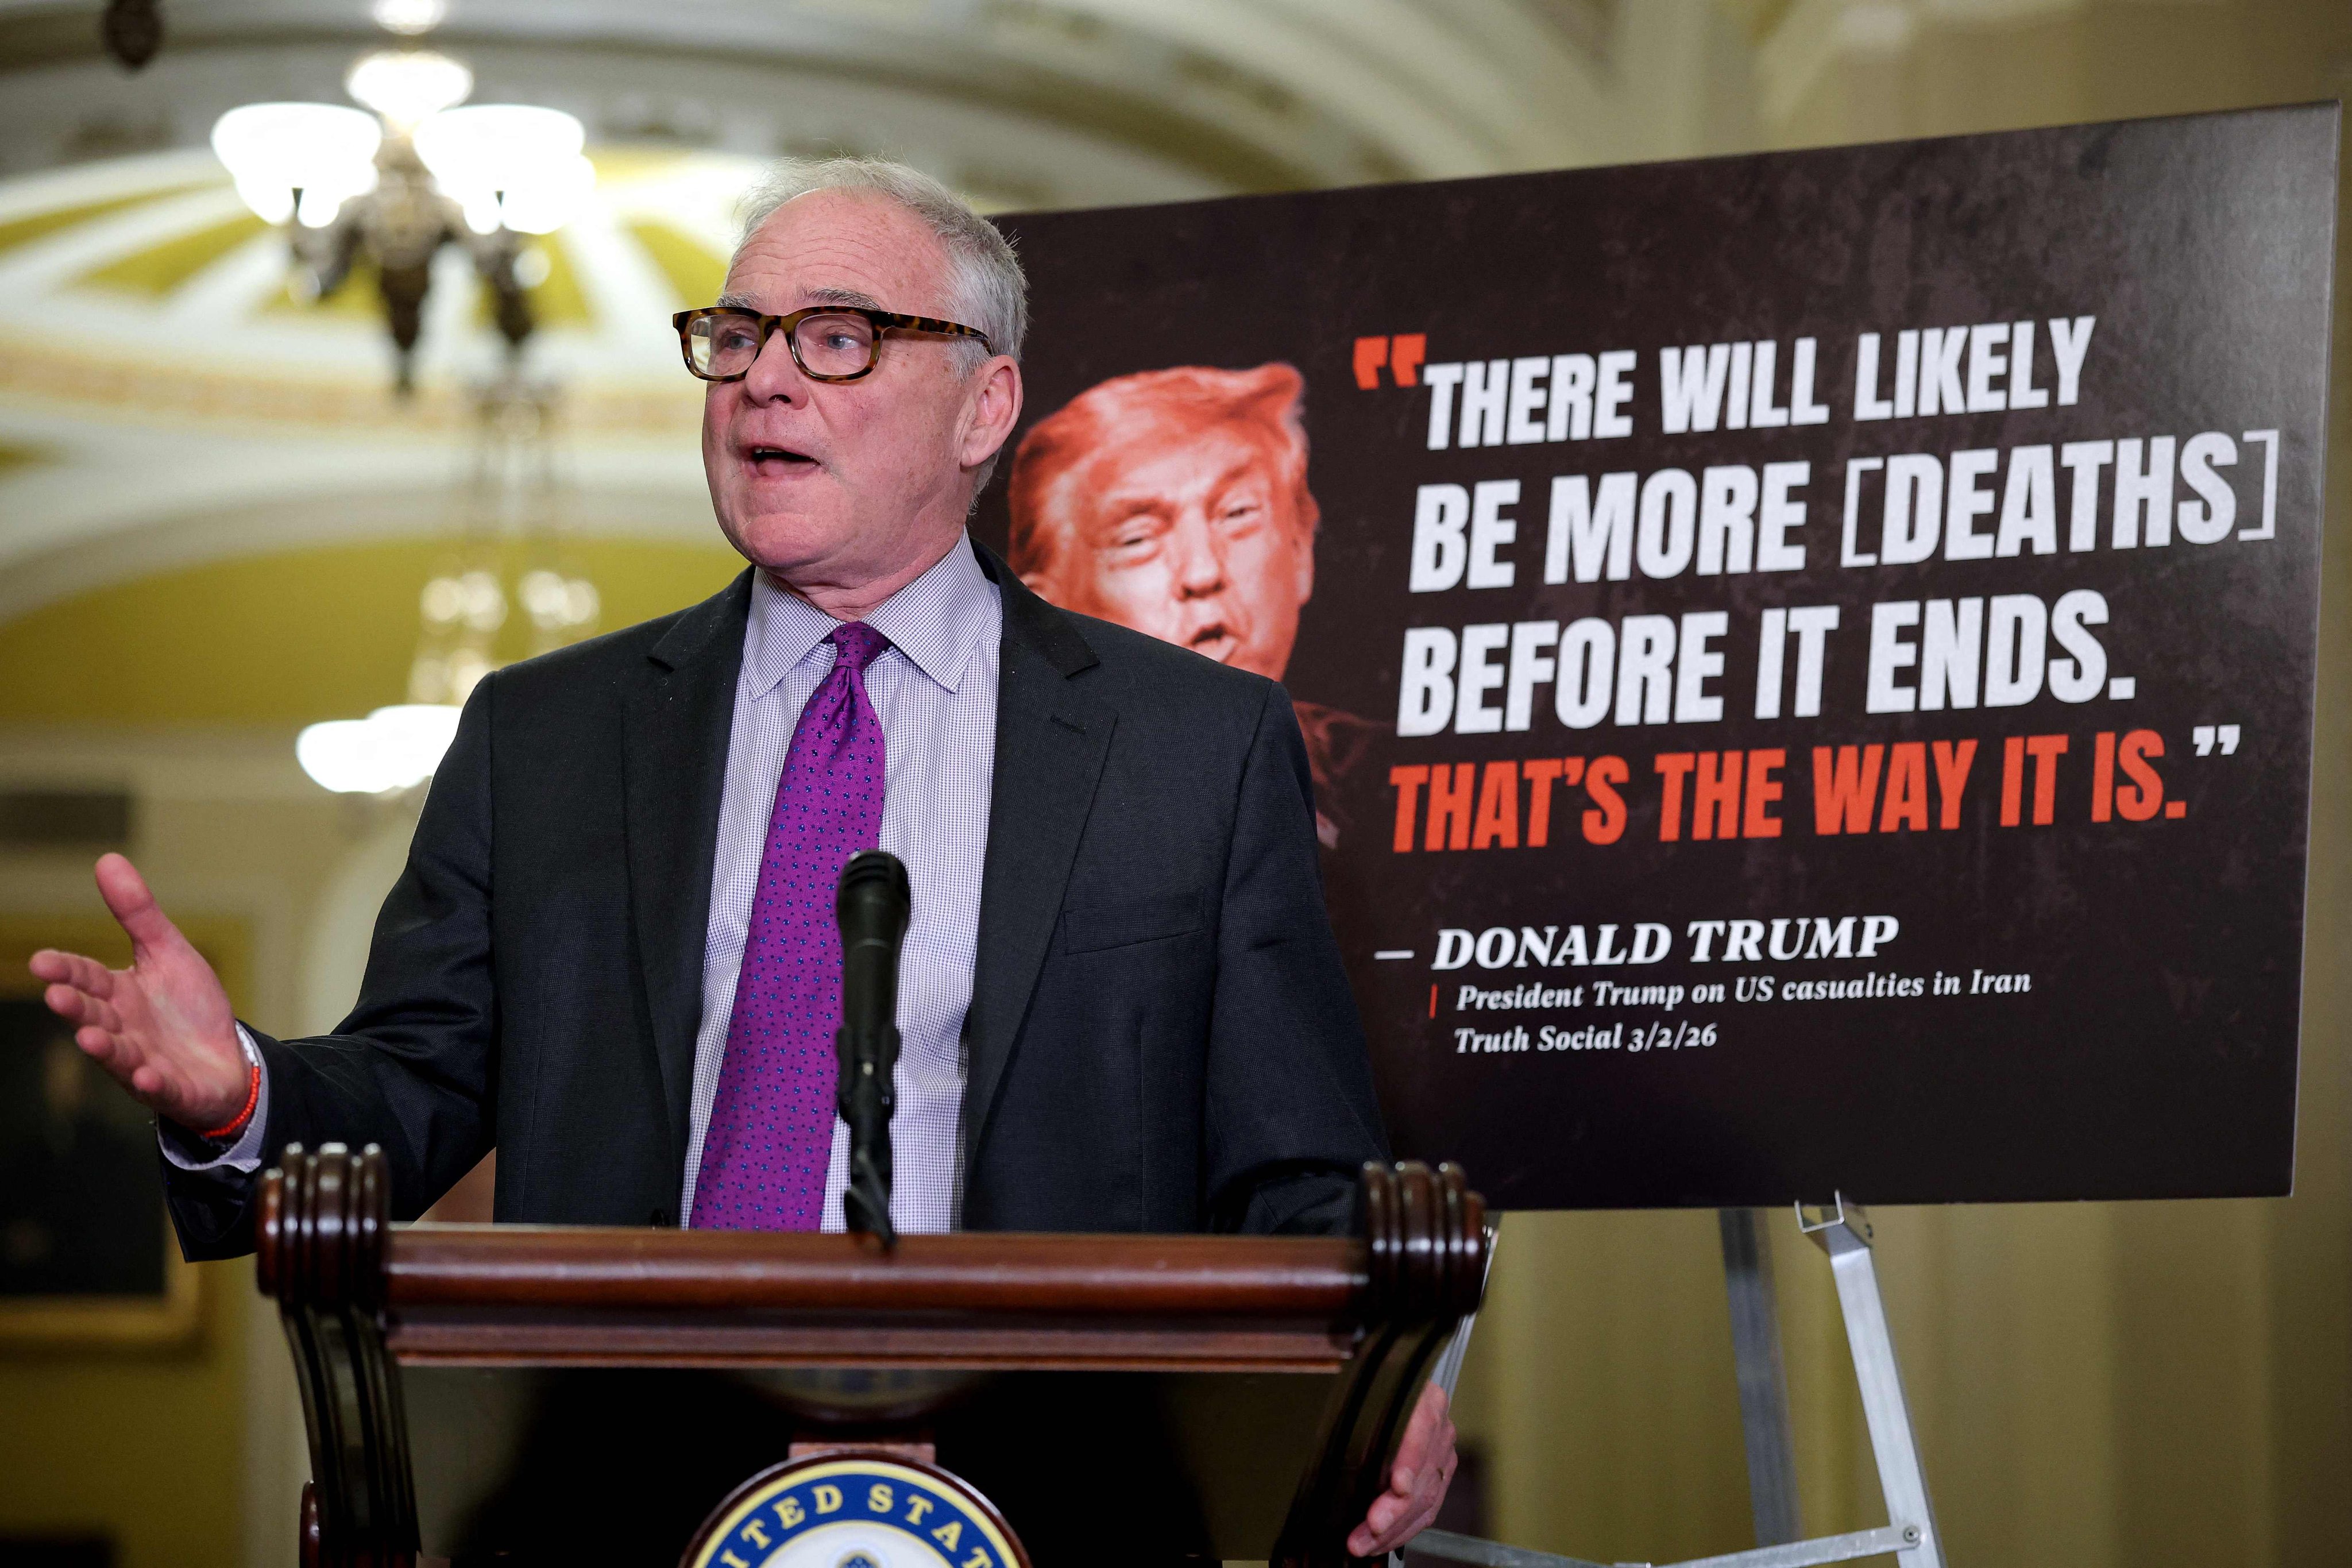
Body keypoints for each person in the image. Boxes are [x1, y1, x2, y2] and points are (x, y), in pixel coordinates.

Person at [28, 159, 1453, 1557]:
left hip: (1047, 1504)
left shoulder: (1188, 751)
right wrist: (240, 1096)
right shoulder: (549, 739)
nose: (762, 380)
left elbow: (1304, 1182)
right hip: (609, 1498)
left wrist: (1395, 1391)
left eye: (835, 339)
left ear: (986, 405)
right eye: (735, 337)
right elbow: (413, 1085)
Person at [1006, 364, 1378, 847]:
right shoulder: (984, 809)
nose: (1203, 573)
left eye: (1237, 513)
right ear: (1047, 611)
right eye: (1138, 538)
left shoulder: (1387, 775)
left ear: (1301, 548)